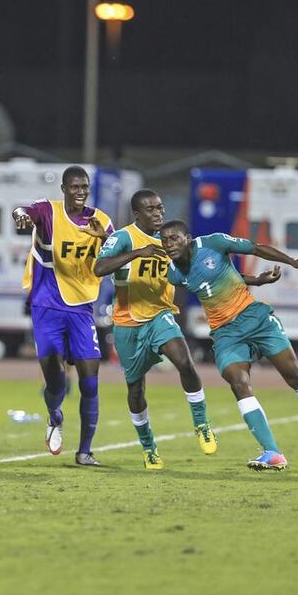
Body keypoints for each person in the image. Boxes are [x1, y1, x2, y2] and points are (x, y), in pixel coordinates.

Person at [160, 220, 298, 470]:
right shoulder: (173, 274)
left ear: (188, 238)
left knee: (294, 376)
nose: (168, 244)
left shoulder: (214, 242)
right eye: (164, 240)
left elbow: (256, 248)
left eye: (174, 238)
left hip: (255, 319)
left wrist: (291, 262)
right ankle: (272, 452)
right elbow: (213, 283)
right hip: (226, 334)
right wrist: (254, 280)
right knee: (238, 382)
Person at [94, 190, 220, 469]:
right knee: (136, 390)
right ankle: (149, 447)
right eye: (151, 209)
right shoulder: (123, 237)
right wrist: (138, 253)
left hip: (160, 316)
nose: (158, 213)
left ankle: (201, 424)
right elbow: (99, 268)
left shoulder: (170, 240)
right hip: (127, 323)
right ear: (137, 214)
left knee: (185, 362)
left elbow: (196, 270)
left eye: (160, 208)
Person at [12, 165, 112, 467]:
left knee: (90, 380)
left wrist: (105, 239)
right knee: (55, 380)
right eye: (75, 187)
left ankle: (85, 451)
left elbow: (117, 253)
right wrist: (20, 216)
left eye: (85, 187)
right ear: (64, 189)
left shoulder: (101, 220)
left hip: (82, 309)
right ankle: (55, 415)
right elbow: (23, 210)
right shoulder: (47, 211)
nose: (80, 192)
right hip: (46, 307)